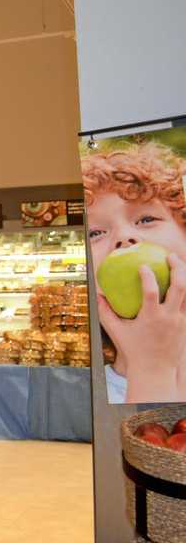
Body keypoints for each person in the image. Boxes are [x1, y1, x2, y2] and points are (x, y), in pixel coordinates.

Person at [82, 141, 186, 404]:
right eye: (95, 233)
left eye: (146, 219)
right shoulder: (93, 397)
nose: (124, 237)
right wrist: (150, 365)